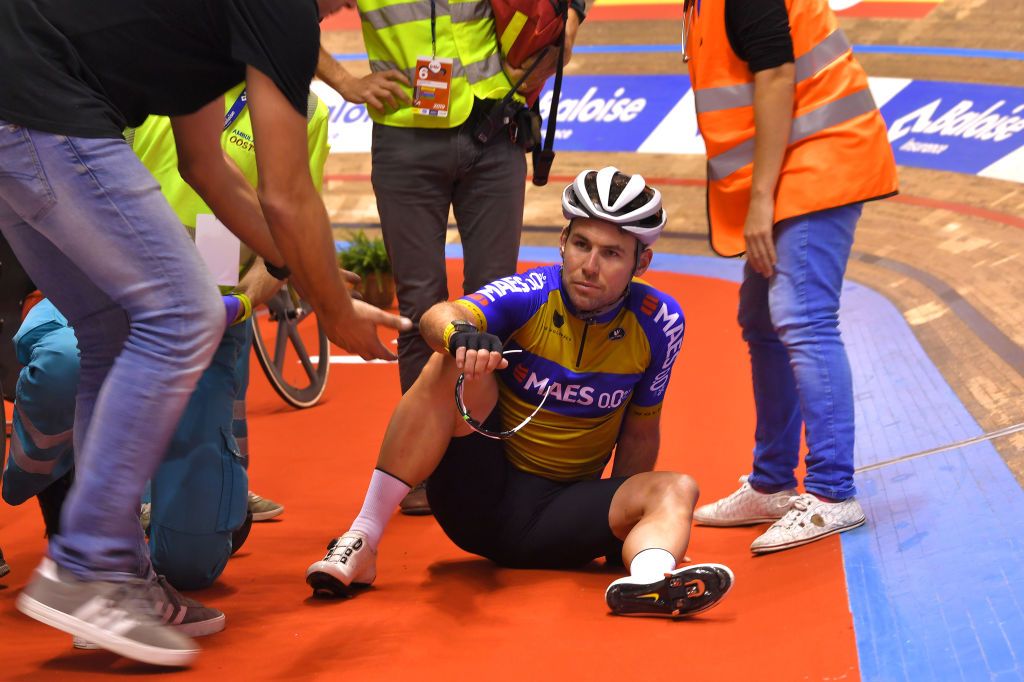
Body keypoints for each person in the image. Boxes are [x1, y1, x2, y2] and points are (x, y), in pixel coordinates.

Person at [0, 0, 410, 667]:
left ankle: (116, 575)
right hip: (39, 106)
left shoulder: (226, 20)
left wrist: (302, 269)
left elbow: (207, 166)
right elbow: (286, 192)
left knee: (111, 326)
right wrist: (334, 311)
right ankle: (88, 562)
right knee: (183, 311)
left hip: (20, 107)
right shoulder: (283, 14)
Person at [305, 168, 734, 618]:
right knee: (451, 359)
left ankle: (649, 579)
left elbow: (641, 431)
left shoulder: (660, 322)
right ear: (563, 242)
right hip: (479, 495)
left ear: (640, 265)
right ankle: (363, 539)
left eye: (611, 254)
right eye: (582, 245)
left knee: (679, 488)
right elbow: (440, 315)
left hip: (564, 515)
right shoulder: (530, 293)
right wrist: (459, 336)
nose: (590, 266)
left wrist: (625, 533)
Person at [315, 0, 588, 514]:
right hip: (404, 138)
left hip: (497, 127)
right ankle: (422, 469)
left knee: (498, 300)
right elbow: (276, 17)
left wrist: (569, 18)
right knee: (422, 308)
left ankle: (496, 457)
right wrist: (346, 83)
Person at [681, 0, 898, 552]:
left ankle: (831, 495)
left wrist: (760, 201)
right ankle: (773, 483)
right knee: (760, 319)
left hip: (819, 161)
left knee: (802, 317)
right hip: (792, 166)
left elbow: (777, 75)